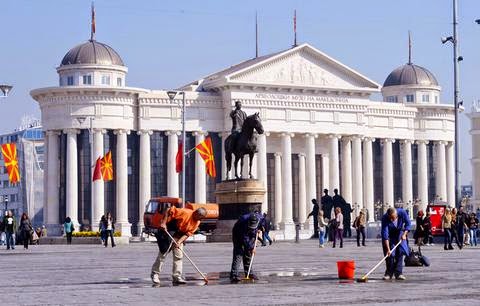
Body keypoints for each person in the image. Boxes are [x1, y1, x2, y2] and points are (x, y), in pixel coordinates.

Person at [151, 206, 207, 285]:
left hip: (180, 235)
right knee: (163, 255)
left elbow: (188, 233)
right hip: (170, 230)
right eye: (200, 217)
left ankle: (177, 276)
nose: (200, 220)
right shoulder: (185, 212)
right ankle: (155, 274)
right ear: (196, 213)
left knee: (179, 256)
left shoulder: (197, 222)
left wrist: (179, 242)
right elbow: (168, 210)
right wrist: (163, 222)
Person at [230, 212, 263, 283]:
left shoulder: (260, 218)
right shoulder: (243, 221)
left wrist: (260, 229)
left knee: (248, 254)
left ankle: (249, 273)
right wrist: (251, 248)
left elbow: (263, 225)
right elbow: (245, 238)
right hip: (238, 234)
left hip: (251, 234)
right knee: (238, 254)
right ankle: (234, 275)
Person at [381, 207, 411, 281]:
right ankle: (389, 273)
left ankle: (398, 273)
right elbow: (385, 235)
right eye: (390, 218)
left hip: (400, 232)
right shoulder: (385, 218)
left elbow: (408, 223)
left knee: (400, 252)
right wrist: (388, 249)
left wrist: (404, 234)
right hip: (390, 235)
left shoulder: (402, 213)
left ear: (396, 215)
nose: (391, 220)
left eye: (393, 218)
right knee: (390, 255)